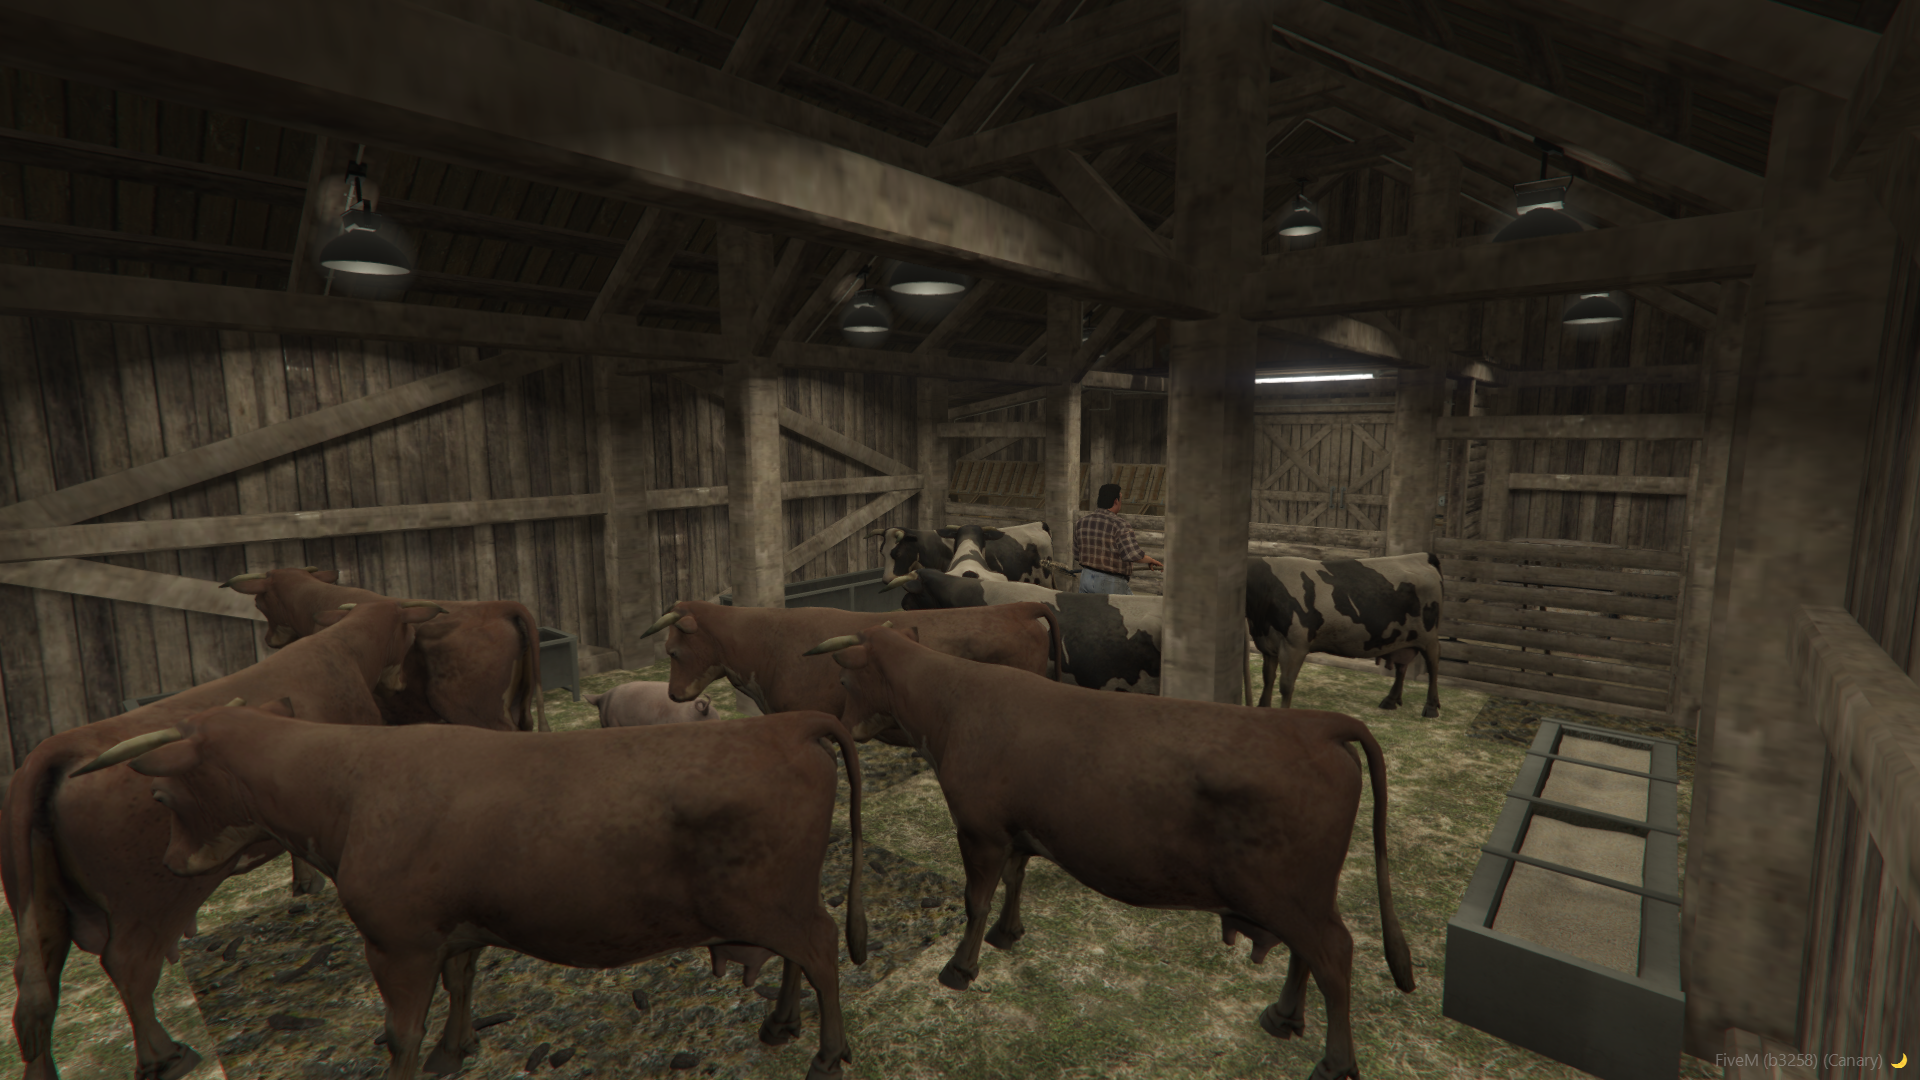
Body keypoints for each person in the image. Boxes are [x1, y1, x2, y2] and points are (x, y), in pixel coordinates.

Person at [1073, 483, 1163, 595]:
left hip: (1086, 577)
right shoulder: (1120, 525)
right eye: (1120, 499)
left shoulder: (1081, 522)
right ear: (1116, 501)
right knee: (1128, 606)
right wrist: (1151, 560)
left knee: (1088, 607)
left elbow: (1077, 554)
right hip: (1110, 582)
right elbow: (1132, 554)